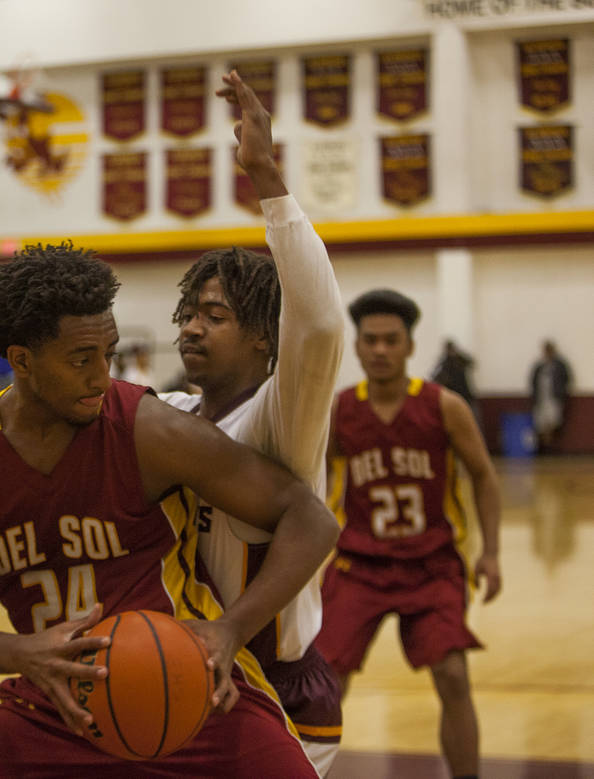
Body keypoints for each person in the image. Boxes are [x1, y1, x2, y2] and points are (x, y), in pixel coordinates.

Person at [0, 239, 341, 777]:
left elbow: (309, 518)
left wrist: (231, 629)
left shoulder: (148, 428)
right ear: (21, 360)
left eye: (108, 354)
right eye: (80, 359)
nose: (101, 375)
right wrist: (21, 653)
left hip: (187, 686)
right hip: (54, 704)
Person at [158, 71, 345, 775]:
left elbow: (321, 323)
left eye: (216, 316)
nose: (191, 329)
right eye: (188, 314)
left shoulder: (278, 418)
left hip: (277, 684)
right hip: (190, 673)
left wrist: (267, 177)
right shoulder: (167, 417)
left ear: (265, 339)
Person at [316, 288, 503, 779]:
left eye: (391, 340)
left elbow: (484, 474)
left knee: (453, 675)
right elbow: (306, 484)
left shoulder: (444, 407)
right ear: (355, 346)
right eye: (370, 340)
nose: (380, 350)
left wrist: (491, 554)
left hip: (432, 564)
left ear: (409, 347)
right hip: (359, 564)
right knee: (326, 681)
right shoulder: (338, 411)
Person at [529, 339, 571, 454]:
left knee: (553, 422)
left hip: (554, 399)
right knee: (541, 424)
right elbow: (532, 381)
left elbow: (566, 379)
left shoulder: (559, 365)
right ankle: (544, 447)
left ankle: (550, 446)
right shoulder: (539, 366)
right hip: (541, 399)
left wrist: (562, 394)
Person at [432, 339, 477, 413]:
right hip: (452, 396)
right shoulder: (444, 363)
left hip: (465, 395)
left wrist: (459, 355)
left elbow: (471, 363)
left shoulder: (460, 359)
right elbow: (435, 376)